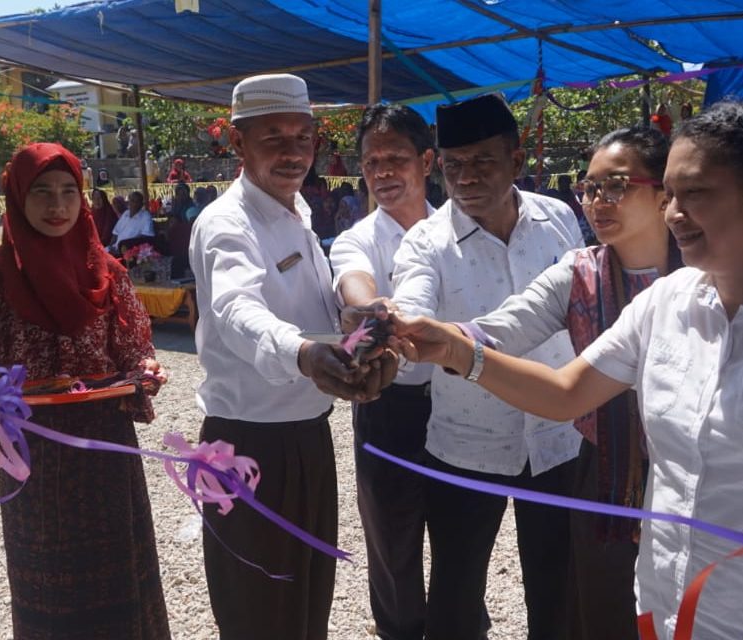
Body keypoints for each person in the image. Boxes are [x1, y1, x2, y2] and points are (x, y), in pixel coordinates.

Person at [390, 100, 743, 640]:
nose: (674, 213)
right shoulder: (666, 302)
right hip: (671, 608)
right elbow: (566, 392)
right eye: (671, 195)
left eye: (693, 194)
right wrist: (456, 350)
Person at [189, 73, 396, 640]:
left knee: (308, 599)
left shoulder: (296, 212)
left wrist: (347, 330)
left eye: (302, 137)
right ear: (237, 143)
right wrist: (303, 354)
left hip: (307, 436)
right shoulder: (226, 224)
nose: (292, 152)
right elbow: (235, 309)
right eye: (273, 136)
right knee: (256, 607)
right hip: (246, 445)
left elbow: (308, 310)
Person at [0, 143, 170, 640]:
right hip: (33, 454)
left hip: (105, 450)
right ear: (18, 199)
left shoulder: (108, 274)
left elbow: (135, 351)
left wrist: (145, 369)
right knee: (47, 582)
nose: (57, 206)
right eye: (42, 192)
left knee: (118, 570)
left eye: (68, 192)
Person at [465, 125, 677, 640]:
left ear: (664, 193)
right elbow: (505, 327)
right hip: (603, 469)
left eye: (617, 186)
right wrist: (443, 338)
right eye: (588, 188)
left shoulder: (704, 272)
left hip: (688, 473)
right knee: (605, 609)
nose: (597, 201)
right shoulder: (578, 273)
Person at [389, 93, 583, 639]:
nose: (466, 178)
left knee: (557, 587)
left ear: (516, 162)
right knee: (455, 591)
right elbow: (413, 299)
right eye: (453, 166)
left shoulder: (559, 221)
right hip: (466, 443)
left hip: (556, 438)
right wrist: (398, 328)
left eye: (482, 162)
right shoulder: (426, 242)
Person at [329, 103, 436, 640]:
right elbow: (355, 284)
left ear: (427, 161)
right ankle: (398, 629)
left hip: (459, 405)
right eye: (372, 162)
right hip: (390, 405)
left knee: (462, 533)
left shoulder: (459, 230)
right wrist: (369, 311)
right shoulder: (358, 238)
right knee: (392, 540)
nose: (384, 172)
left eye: (397, 158)